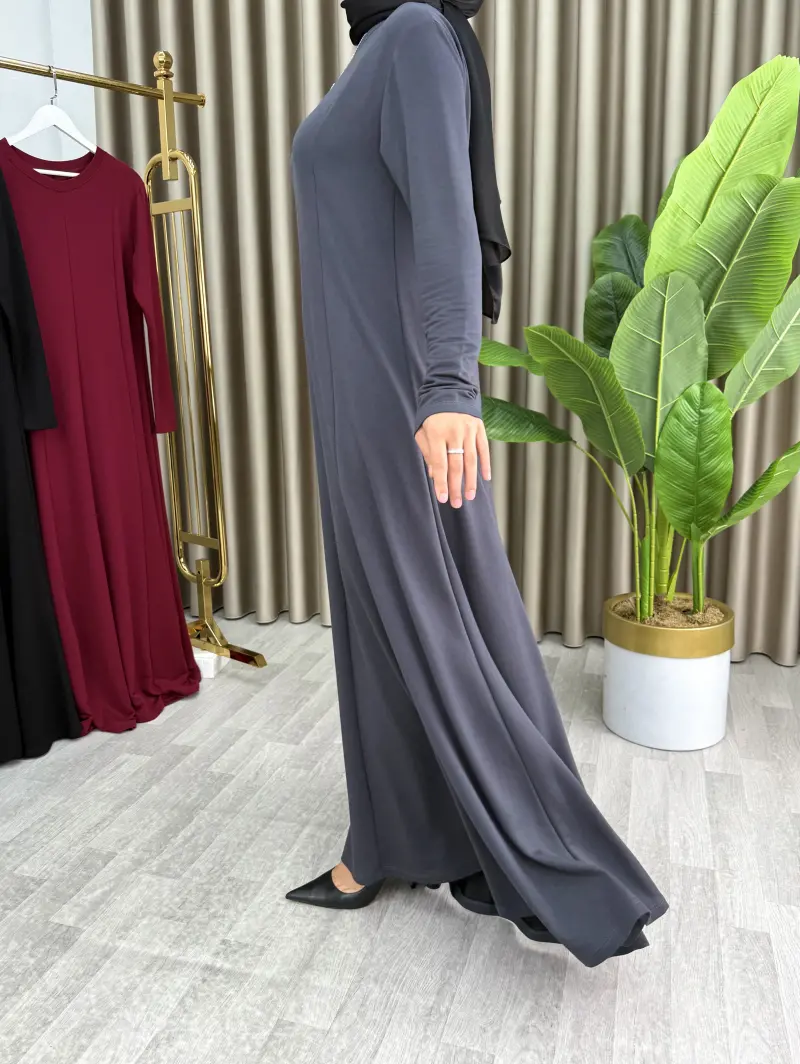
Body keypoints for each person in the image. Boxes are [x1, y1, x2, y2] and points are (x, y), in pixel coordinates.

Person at [288, 0, 668, 968]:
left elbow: (447, 220)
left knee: (441, 621)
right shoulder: (379, 48)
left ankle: (558, 863)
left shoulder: (416, 32)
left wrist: (450, 385)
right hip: (354, 393)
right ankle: (396, 837)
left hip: (398, 391)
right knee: (382, 621)